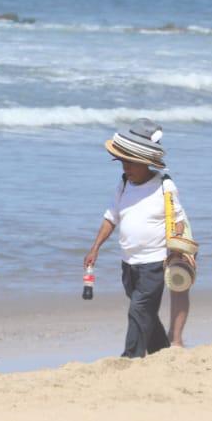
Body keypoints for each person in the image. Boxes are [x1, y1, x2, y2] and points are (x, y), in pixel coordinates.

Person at [84, 119, 190, 357]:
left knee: (138, 309)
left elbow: (179, 220)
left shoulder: (164, 186)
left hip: (155, 262)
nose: (126, 168)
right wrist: (95, 247)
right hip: (128, 263)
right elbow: (111, 216)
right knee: (145, 311)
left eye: (131, 163)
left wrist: (177, 252)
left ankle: (131, 356)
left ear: (145, 162)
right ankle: (160, 351)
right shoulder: (123, 184)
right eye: (123, 162)